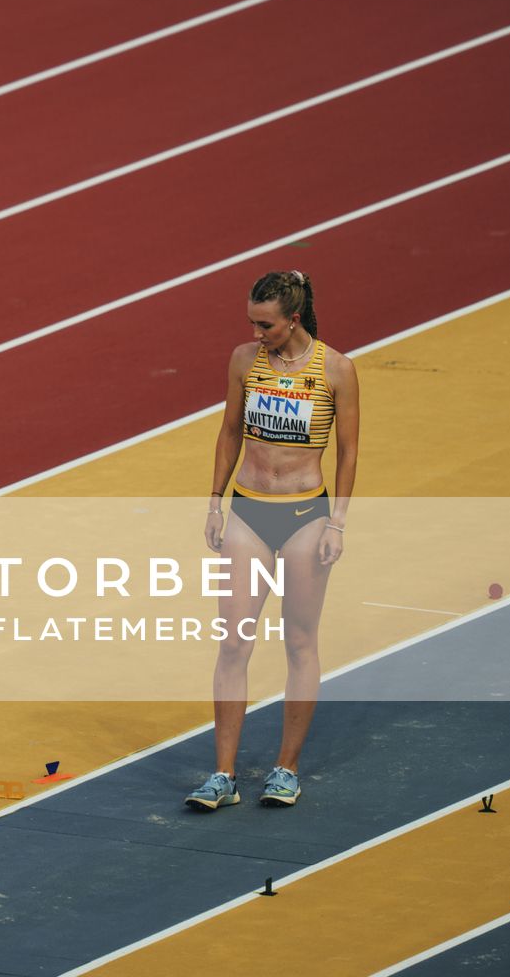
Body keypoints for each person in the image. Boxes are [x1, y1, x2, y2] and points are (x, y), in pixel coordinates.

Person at [184, 269, 358, 811]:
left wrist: (337, 523)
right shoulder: (243, 361)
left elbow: (349, 453)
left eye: (267, 325)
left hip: (307, 514)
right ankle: (223, 776)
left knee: (299, 641)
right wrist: (213, 502)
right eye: (252, 324)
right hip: (247, 509)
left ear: (294, 318)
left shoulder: (336, 370)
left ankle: (286, 769)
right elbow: (230, 430)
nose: (258, 334)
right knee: (234, 642)